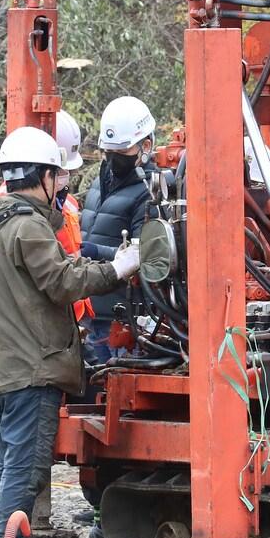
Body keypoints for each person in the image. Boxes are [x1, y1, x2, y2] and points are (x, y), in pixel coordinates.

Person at [0, 127, 139, 537]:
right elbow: (61, 281)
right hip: (30, 369)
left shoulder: (0, 223)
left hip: (6, 369)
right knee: (25, 471)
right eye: (56, 176)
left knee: (12, 464)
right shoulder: (28, 226)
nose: (60, 185)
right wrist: (118, 269)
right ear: (42, 176)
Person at [0, 110, 93, 327]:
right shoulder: (7, 212)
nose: (64, 179)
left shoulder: (67, 202)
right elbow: (58, 279)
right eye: (60, 172)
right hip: (42, 319)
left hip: (71, 312)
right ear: (44, 171)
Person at [79, 96, 157, 360]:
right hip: (89, 310)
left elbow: (143, 254)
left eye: (122, 153)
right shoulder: (98, 184)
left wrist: (94, 250)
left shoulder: (151, 192)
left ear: (146, 146)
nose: (113, 160)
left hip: (122, 318)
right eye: (108, 152)